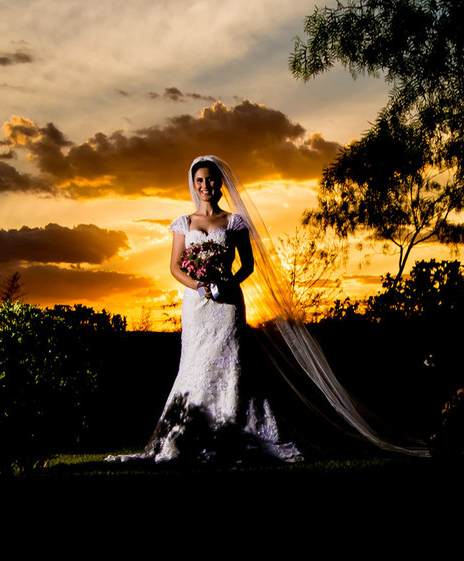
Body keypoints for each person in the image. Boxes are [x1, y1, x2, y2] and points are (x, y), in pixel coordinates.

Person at [113, 155, 425, 463]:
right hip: (196, 305)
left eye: (210, 179)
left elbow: (247, 264)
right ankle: (191, 431)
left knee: (232, 362)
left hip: (227, 305)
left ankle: (238, 430)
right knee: (195, 361)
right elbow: (175, 267)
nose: (205, 185)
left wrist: (226, 282)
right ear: (193, 185)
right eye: (199, 181)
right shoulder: (184, 223)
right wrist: (198, 285)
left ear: (219, 183)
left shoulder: (233, 222)